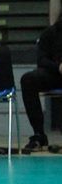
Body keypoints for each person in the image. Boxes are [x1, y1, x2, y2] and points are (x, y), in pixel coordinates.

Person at [20, 19, 62, 153]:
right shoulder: (50, 33)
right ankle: (39, 135)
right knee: (28, 80)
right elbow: (42, 60)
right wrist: (58, 66)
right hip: (55, 73)